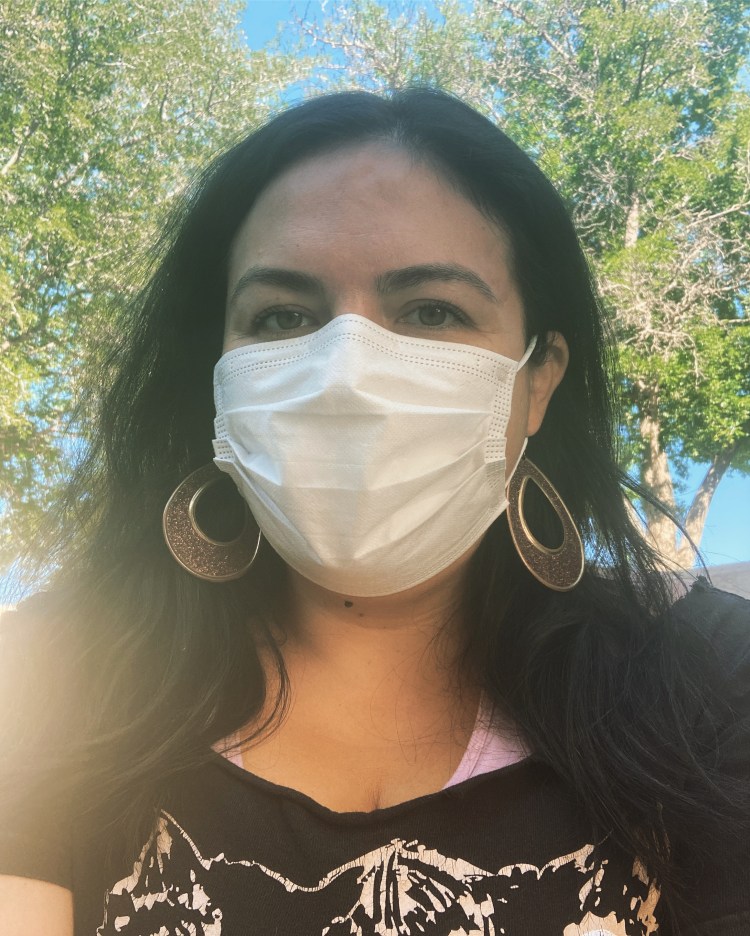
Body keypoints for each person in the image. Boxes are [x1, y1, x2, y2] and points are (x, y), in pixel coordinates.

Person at [0, 88, 748, 936]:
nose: (344, 377)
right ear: (214, 375)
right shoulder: (54, 677)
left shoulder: (709, 684)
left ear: (538, 381)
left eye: (432, 311)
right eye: (283, 317)